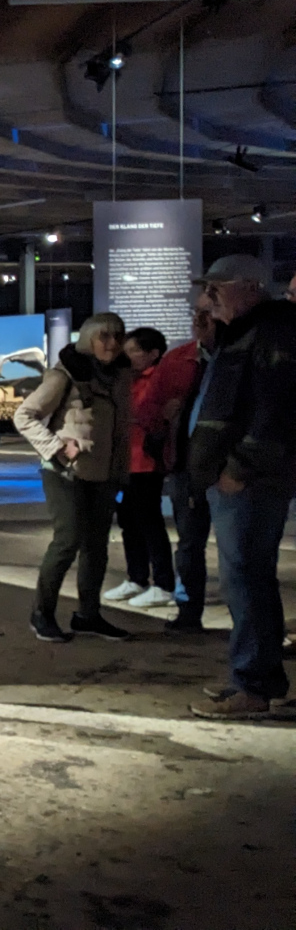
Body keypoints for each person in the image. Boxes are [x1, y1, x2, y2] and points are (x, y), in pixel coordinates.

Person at [183, 255, 296, 718]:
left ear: (251, 287)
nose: (207, 298)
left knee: (246, 578)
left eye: (216, 288)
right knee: (248, 578)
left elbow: (277, 410)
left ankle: (253, 686)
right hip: (237, 479)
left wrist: (241, 467)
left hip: (249, 481)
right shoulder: (246, 331)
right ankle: (257, 680)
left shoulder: (273, 331)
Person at [13, 312, 133, 644]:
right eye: (104, 336)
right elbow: (24, 416)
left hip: (104, 475)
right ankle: (42, 613)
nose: (112, 343)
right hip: (66, 473)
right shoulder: (65, 374)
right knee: (68, 541)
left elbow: (120, 429)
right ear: (89, 339)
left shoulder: (121, 376)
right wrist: (56, 447)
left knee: (96, 547)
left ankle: (88, 615)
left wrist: (121, 472)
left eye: (118, 336)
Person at [103, 328, 186, 609]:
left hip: (146, 462)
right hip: (125, 460)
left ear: (153, 354)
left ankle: (163, 584)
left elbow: (151, 415)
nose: (127, 356)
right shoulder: (128, 379)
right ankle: (136, 577)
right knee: (128, 522)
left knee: (149, 522)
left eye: (133, 351)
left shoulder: (159, 380)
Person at [162, 295, 219, 633]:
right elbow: (152, 410)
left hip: (232, 468)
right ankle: (188, 609)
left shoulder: (241, 356)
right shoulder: (177, 359)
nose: (199, 320)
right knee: (189, 543)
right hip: (186, 467)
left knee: (242, 551)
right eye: (196, 312)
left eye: (207, 312)